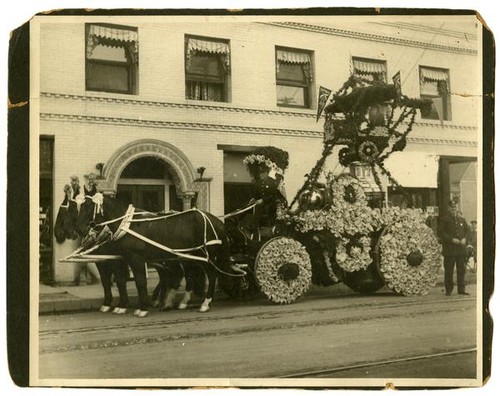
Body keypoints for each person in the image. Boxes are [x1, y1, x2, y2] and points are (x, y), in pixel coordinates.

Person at [438, 200, 470, 296]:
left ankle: (461, 289)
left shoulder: (462, 220)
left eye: (455, 207)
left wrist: (465, 239)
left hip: (460, 250)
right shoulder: (444, 220)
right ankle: (448, 289)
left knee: (461, 270)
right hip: (450, 250)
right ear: (448, 209)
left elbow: (468, 231)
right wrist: (451, 240)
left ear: (457, 208)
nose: (453, 209)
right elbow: (441, 233)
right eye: (452, 207)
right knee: (449, 270)